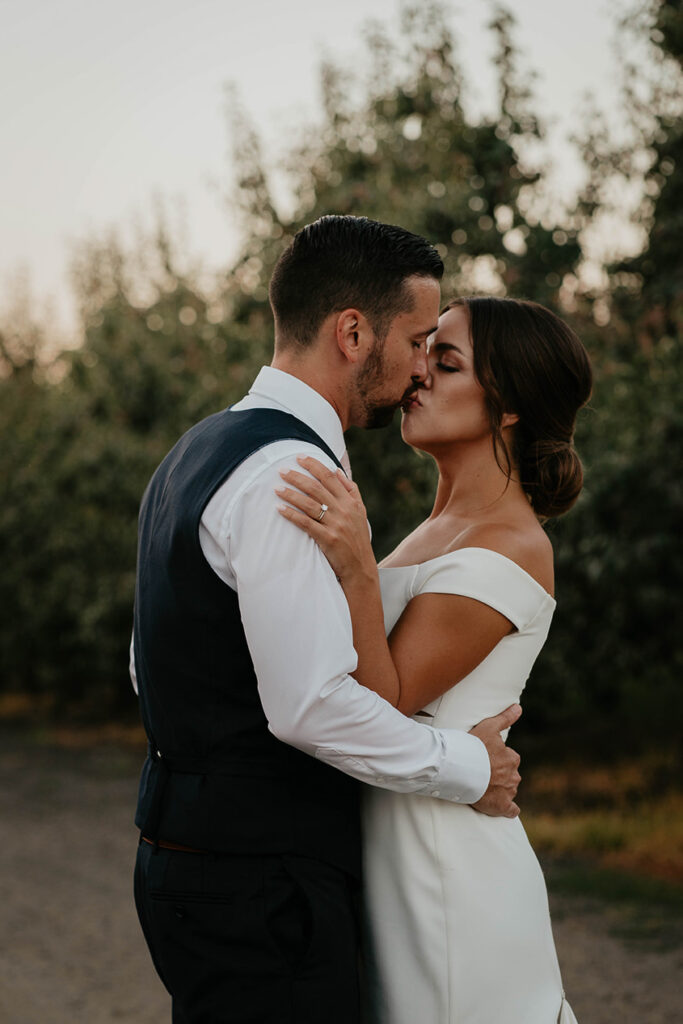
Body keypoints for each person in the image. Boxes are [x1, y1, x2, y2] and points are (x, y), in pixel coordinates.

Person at [130, 217, 523, 1024]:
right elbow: (309, 704)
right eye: (418, 340)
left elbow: (148, 659)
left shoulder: (201, 448)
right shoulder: (291, 473)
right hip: (259, 880)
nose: (420, 368)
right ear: (352, 332)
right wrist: (469, 767)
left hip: (194, 862)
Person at [277, 295, 592, 1023]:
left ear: (508, 405)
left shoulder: (511, 545)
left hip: (444, 869)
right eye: (423, 354)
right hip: (386, 842)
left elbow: (381, 698)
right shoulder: (434, 529)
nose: (416, 376)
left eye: (444, 362)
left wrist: (356, 565)